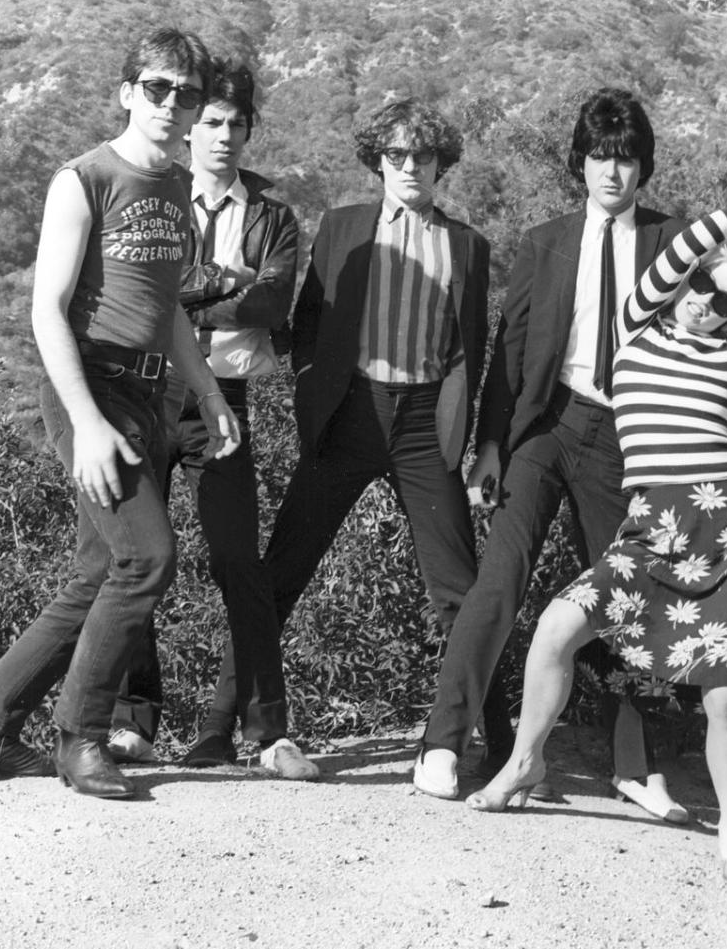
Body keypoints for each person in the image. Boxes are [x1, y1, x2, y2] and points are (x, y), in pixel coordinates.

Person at [467, 167, 727, 890]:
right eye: (701, 289)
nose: (705, 305)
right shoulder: (635, 326)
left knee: (723, 693)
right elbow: (678, 253)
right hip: (652, 528)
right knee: (555, 626)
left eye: (726, 303)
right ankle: (526, 759)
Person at [184, 97, 513, 774]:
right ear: (376, 161)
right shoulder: (344, 227)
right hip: (349, 412)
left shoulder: (469, 247)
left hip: (427, 426)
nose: (410, 166)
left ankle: (502, 740)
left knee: (461, 588)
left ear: (441, 162)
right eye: (396, 154)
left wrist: (480, 439)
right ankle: (218, 727)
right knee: (280, 573)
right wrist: (312, 390)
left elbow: (474, 347)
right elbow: (305, 321)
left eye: (423, 154)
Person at [0, 28, 240, 800]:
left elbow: (170, 308)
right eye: (157, 87)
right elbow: (47, 312)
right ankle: (79, 738)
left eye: (186, 93)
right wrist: (84, 421)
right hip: (90, 386)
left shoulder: (176, 186)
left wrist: (208, 391)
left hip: (150, 393)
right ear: (127, 92)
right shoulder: (84, 179)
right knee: (147, 558)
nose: (172, 104)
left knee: (96, 571)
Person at [416, 88, 686, 811]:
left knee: (629, 599)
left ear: (643, 166)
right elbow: (509, 355)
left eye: (626, 158)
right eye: (600, 155)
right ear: (581, 160)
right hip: (548, 427)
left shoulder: (671, 240)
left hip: (626, 437)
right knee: (500, 579)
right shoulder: (547, 241)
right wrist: (492, 445)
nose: (612, 171)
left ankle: (636, 765)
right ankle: (444, 742)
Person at [106, 60, 307, 776]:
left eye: (236, 124)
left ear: (251, 131)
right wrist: (225, 283)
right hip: (148, 391)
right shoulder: (157, 195)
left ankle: (268, 729)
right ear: (192, 125)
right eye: (212, 121)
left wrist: (192, 294)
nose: (223, 135)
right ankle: (134, 719)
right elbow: (151, 284)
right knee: (135, 554)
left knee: (236, 559)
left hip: (225, 396)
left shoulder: (273, 215)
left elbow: (270, 305)